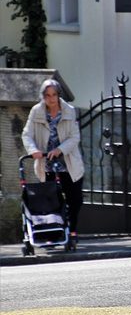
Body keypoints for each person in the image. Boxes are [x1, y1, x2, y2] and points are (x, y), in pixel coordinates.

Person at [22, 79, 85, 244]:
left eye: (54, 95)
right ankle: (54, 234)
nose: (51, 99)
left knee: (75, 199)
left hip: (68, 163)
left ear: (59, 95)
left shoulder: (68, 111)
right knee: (51, 201)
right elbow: (26, 134)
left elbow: (74, 137)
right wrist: (33, 150)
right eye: (47, 95)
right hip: (47, 164)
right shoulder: (36, 111)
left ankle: (72, 231)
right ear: (43, 97)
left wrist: (60, 149)